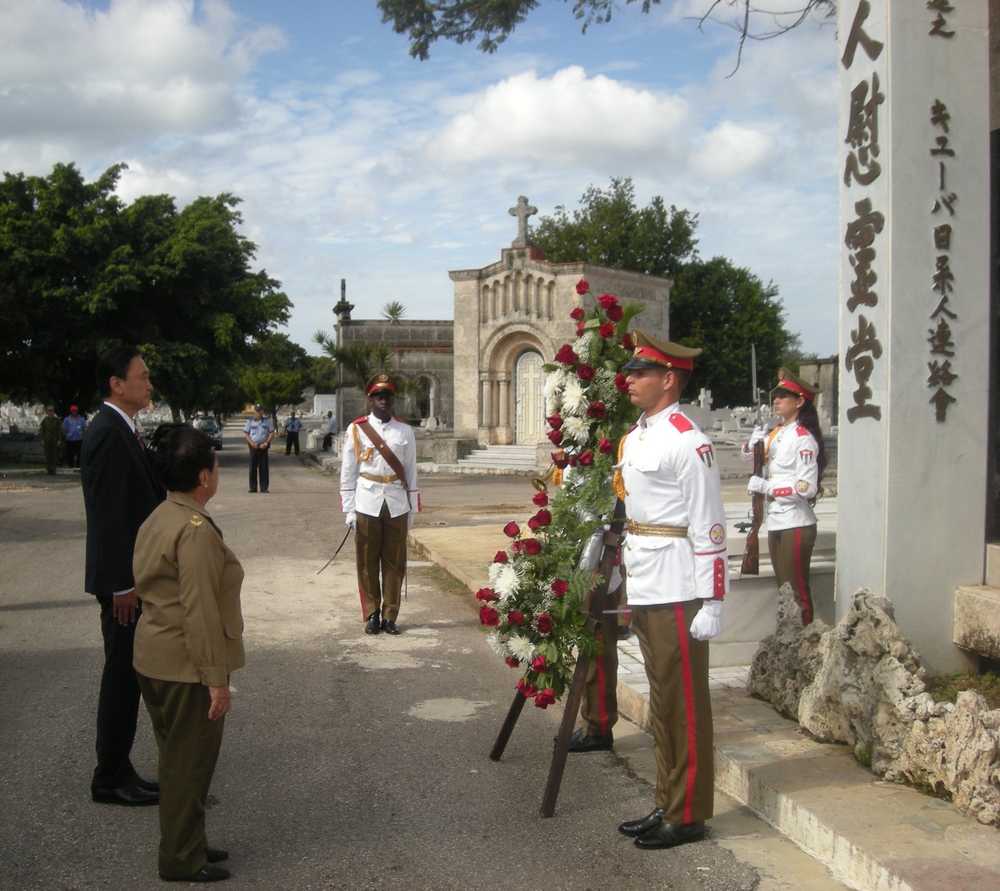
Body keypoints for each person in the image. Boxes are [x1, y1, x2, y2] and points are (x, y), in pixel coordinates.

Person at [614, 330, 728, 850]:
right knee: (662, 700)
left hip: (680, 586)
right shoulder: (636, 436)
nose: (629, 379)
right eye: (630, 371)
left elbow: (709, 525)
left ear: (668, 378)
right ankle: (667, 798)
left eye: (640, 372)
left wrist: (714, 598)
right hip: (646, 580)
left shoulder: (688, 440)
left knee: (683, 703)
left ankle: (688, 814)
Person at [133, 425, 245, 883]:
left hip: (156, 657)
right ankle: (181, 858)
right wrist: (215, 678)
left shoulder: (163, 514)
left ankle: (190, 842)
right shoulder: (193, 529)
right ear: (203, 476)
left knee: (180, 758)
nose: (217, 472)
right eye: (215, 465)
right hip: (185, 666)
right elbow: (198, 610)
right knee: (187, 766)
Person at [80, 345, 164, 806]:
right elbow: (109, 516)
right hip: (122, 584)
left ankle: (119, 767)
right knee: (121, 677)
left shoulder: (122, 427)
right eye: (143, 376)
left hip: (129, 578)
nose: (149, 384)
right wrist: (122, 586)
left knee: (128, 676)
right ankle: (109, 776)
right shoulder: (109, 432)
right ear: (117, 383)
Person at [742, 367, 827, 625]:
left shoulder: (803, 439)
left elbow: (806, 488)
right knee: (784, 591)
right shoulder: (779, 433)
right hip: (777, 520)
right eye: (776, 395)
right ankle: (788, 641)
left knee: (797, 592)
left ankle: (805, 645)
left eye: (783, 396)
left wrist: (769, 488)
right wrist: (752, 444)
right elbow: (753, 457)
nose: (776, 400)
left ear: (800, 402)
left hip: (796, 523)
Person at [340, 374, 419, 635]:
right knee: (366, 560)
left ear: (392, 399)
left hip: (396, 501)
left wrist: (412, 508)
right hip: (367, 501)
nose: (383, 400)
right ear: (370, 399)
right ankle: (372, 613)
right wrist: (349, 509)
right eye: (378, 396)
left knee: (395, 562)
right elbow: (348, 471)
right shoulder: (357, 429)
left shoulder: (404, 430)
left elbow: (410, 471)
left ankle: (390, 615)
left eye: (387, 396)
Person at [243, 404, 274, 493]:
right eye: (257, 411)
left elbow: (272, 433)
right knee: (252, 467)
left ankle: (264, 487)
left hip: (263, 446)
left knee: (263, 467)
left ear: (262, 411)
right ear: (254, 412)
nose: (258, 412)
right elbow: (246, 434)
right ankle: (253, 487)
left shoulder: (266, 421)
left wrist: (266, 443)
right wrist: (251, 443)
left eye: (260, 410)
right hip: (253, 446)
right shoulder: (250, 422)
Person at [38, 405, 62, 474]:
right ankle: (48, 469)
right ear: (47, 412)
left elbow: (59, 431)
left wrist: (59, 440)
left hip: (54, 440)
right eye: (49, 411)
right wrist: (42, 440)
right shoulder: (45, 421)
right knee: (48, 455)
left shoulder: (57, 421)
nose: (51, 413)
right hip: (47, 440)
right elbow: (42, 431)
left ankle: (53, 469)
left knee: (54, 455)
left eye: (52, 411)